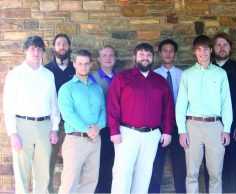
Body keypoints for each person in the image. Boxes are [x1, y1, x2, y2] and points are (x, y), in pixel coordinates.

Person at [107, 43, 175, 194]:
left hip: (152, 135)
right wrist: (114, 130)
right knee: (122, 174)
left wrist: (168, 131)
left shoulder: (160, 81)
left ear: (153, 58)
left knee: (144, 175)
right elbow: (112, 105)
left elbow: (168, 109)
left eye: (148, 55)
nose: (145, 58)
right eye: (142, 55)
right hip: (127, 133)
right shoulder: (122, 78)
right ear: (134, 58)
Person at [3, 36, 60, 193]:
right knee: (21, 170)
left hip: (44, 126)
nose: (36, 52)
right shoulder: (15, 75)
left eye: (40, 49)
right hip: (22, 126)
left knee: (43, 173)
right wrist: (12, 133)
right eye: (33, 48)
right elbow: (8, 105)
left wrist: (54, 128)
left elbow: (53, 104)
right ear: (25, 50)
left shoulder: (48, 75)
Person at [176, 35, 233, 193]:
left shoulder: (220, 74)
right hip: (192, 126)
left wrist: (226, 129)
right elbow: (181, 104)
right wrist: (182, 131)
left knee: (216, 173)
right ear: (194, 52)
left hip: (215, 126)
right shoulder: (187, 75)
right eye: (199, 49)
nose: (203, 52)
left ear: (211, 51)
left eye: (206, 49)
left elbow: (226, 103)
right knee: (192, 173)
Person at [204, 32, 236, 193]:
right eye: (218, 44)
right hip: (210, 126)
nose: (222, 48)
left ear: (230, 48)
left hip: (233, 127)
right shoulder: (206, 68)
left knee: (232, 168)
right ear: (212, 48)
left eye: (225, 45)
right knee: (211, 169)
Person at [57, 49, 106, 193]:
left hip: (95, 140)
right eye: (80, 63)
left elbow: (103, 110)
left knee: (90, 181)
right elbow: (68, 114)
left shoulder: (97, 88)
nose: (83, 67)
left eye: (86, 64)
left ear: (91, 65)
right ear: (74, 64)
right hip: (75, 140)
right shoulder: (67, 88)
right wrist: (87, 129)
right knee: (69, 182)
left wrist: (98, 127)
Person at [149, 39, 186, 193]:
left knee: (181, 167)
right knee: (155, 166)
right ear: (159, 53)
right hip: (158, 126)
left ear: (175, 54)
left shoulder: (184, 75)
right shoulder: (152, 75)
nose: (168, 53)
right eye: (165, 50)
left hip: (179, 127)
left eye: (171, 51)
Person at [44, 33, 75, 193]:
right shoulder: (46, 70)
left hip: (73, 126)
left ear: (69, 47)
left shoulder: (77, 69)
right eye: (58, 44)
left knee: (73, 167)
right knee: (47, 165)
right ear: (54, 47)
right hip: (51, 126)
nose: (62, 47)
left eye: (65, 44)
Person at [90, 45, 118, 193]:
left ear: (115, 58)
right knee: (100, 165)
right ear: (99, 59)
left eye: (111, 55)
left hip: (118, 130)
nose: (108, 58)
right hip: (100, 129)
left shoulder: (121, 78)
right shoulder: (91, 78)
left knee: (116, 165)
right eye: (104, 55)